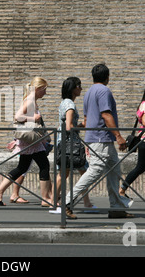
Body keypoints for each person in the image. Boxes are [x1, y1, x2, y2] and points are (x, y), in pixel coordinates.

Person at [65, 64, 133, 219]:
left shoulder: (89, 92)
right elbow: (106, 115)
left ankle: (116, 208)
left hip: (97, 138)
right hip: (101, 139)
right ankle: (67, 202)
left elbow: (87, 119)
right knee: (94, 171)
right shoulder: (104, 91)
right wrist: (118, 136)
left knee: (114, 172)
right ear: (107, 77)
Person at [0, 77, 52, 207]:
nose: (45, 93)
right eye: (44, 90)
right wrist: (34, 117)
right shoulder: (30, 101)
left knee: (22, 167)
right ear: (38, 88)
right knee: (44, 166)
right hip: (31, 142)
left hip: (30, 141)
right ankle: (46, 199)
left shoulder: (31, 100)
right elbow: (18, 117)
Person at [56, 77, 95, 211]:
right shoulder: (70, 105)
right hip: (71, 144)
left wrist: (79, 125)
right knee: (81, 173)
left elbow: (69, 125)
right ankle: (56, 202)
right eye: (79, 86)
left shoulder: (64, 103)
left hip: (64, 142)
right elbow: (68, 127)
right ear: (73, 88)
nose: (81, 88)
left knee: (66, 173)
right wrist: (80, 127)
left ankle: (85, 202)